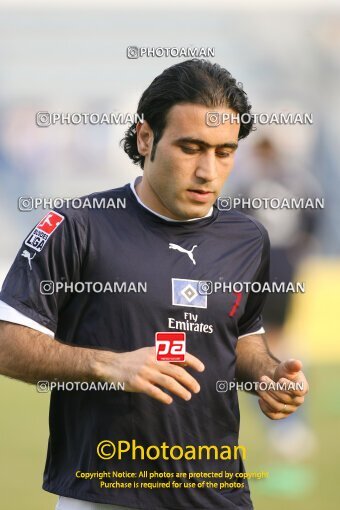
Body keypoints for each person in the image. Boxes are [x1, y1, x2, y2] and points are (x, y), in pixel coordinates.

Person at [0, 59, 308, 510]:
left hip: (218, 495)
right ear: (146, 138)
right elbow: (7, 343)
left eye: (224, 152)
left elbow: (242, 338)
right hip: (104, 495)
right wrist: (110, 366)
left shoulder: (248, 238)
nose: (208, 170)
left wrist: (268, 375)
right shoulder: (76, 226)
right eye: (191, 148)